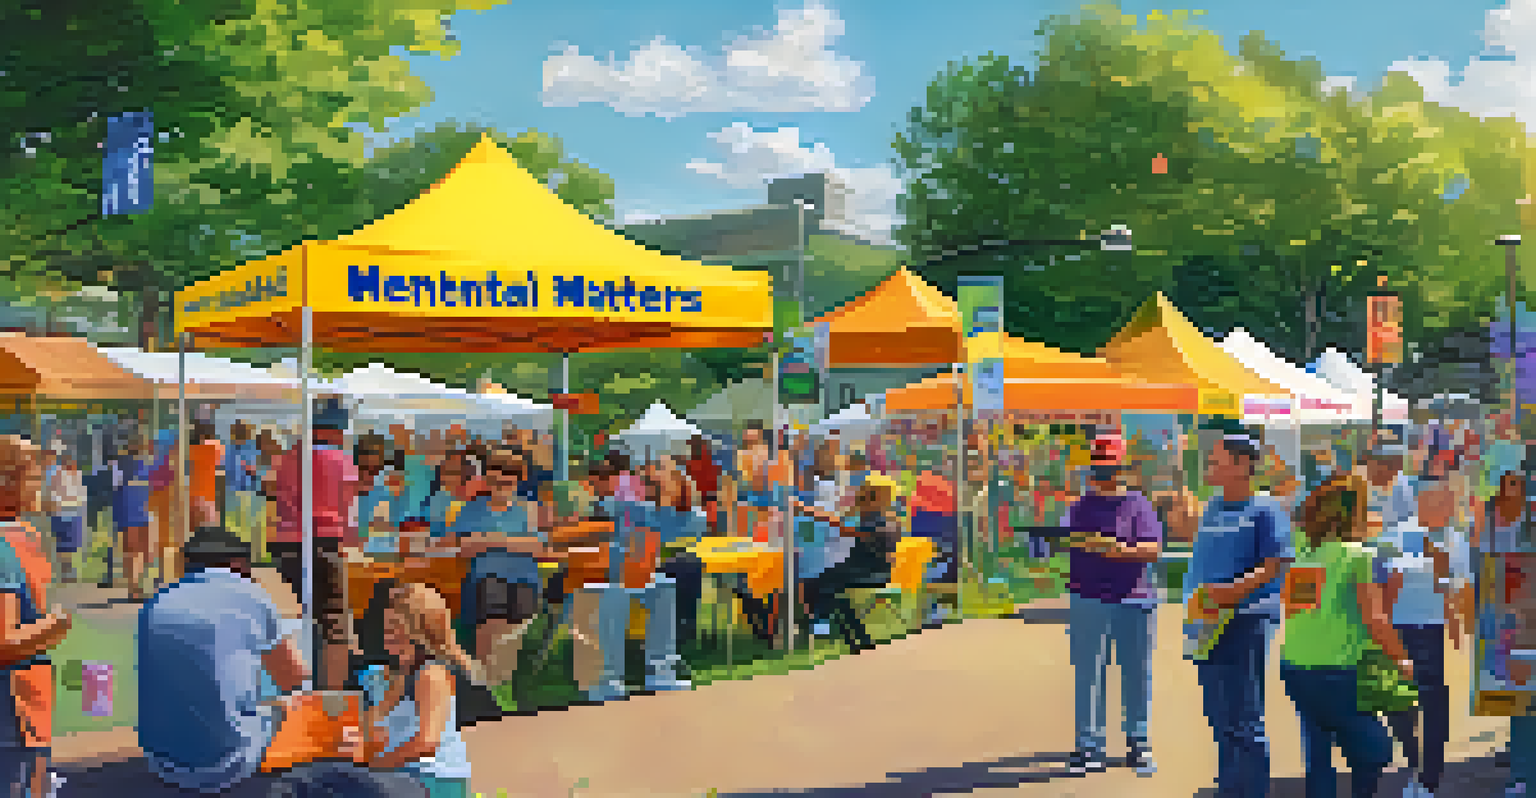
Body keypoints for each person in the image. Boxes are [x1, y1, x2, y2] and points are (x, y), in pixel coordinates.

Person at [140, 525, 427, 797]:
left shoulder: (156, 601)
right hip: (226, 764)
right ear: (239, 565)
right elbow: (293, 678)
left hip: (162, 762)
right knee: (309, 716)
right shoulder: (249, 597)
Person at [1281, 473, 1409, 798]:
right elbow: (1375, 620)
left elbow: (1294, 608)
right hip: (1342, 670)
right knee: (1377, 751)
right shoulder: (1358, 556)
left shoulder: (1302, 551)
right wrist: (1402, 658)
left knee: (1318, 751)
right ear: (1354, 515)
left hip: (1296, 666)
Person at [1186, 428, 1295, 798]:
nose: (1209, 468)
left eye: (1216, 461)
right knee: (1218, 714)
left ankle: (1252, 790)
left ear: (1241, 465)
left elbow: (1274, 564)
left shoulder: (1266, 509)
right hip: (1205, 620)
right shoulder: (1213, 507)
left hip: (1246, 620)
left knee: (1245, 715)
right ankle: (1229, 789)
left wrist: (1231, 592)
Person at [1063, 430, 1164, 777]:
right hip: (1088, 597)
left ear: (1124, 470)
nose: (1103, 477)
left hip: (1134, 598)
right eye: (1097, 470)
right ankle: (1088, 745)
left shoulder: (1139, 505)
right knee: (1088, 673)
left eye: (1110, 469)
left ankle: (1138, 741)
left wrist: (1122, 551)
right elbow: (1061, 542)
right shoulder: (1078, 507)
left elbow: (1153, 548)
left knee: (1136, 673)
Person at [1375, 472, 1471, 798]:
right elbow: (1380, 581)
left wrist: (1457, 622)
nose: (1448, 505)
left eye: (1449, 499)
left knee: (1432, 703)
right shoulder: (1396, 536)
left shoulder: (1454, 540)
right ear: (1421, 501)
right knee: (1397, 706)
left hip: (1430, 630)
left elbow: (1456, 585)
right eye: (1441, 498)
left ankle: (1429, 778)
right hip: (1396, 630)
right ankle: (1415, 761)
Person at [343, 583, 477, 798]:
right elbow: (374, 723)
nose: (388, 634)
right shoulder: (403, 674)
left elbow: (427, 742)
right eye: (387, 625)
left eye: (395, 626)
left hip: (433, 781)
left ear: (420, 628)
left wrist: (375, 765)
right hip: (409, 776)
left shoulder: (430, 673)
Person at [268, 397, 363, 691]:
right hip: (324, 541)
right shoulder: (342, 461)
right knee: (334, 624)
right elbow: (348, 509)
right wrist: (352, 542)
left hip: (285, 543)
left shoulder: (287, 457)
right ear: (338, 430)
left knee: (293, 618)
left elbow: (275, 496)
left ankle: (293, 691)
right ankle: (331, 698)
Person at [0, 436, 73, 798]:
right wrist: (54, 624)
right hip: (13, 706)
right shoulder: (4, 551)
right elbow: (4, 642)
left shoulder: (20, 536)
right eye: (32, 475)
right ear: (7, 481)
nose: (39, 483)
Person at [794, 477, 902, 654]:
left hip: (867, 573)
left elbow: (844, 528)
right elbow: (845, 521)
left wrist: (807, 511)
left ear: (871, 498)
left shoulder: (878, 520)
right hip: (874, 571)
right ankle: (847, 634)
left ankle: (821, 628)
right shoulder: (884, 516)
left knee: (816, 585)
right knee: (827, 588)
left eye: (862, 496)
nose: (858, 499)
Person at [113, 435, 156, 600]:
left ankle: (141, 585)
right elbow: (116, 490)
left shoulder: (149, 464)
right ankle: (133, 588)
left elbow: (153, 488)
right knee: (132, 552)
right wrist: (119, 518)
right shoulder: (121, 465)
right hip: (129, 514)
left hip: (145, 513)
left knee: (146, 552)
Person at [44, 449, 86, 584]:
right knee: (63, 543)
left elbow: (81, 493)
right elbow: (53, 491)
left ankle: (68, 570)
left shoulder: (77, 475)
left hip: (72, 511)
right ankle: (65, 571)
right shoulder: (58, 474)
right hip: (62, 511)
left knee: (71, 543)